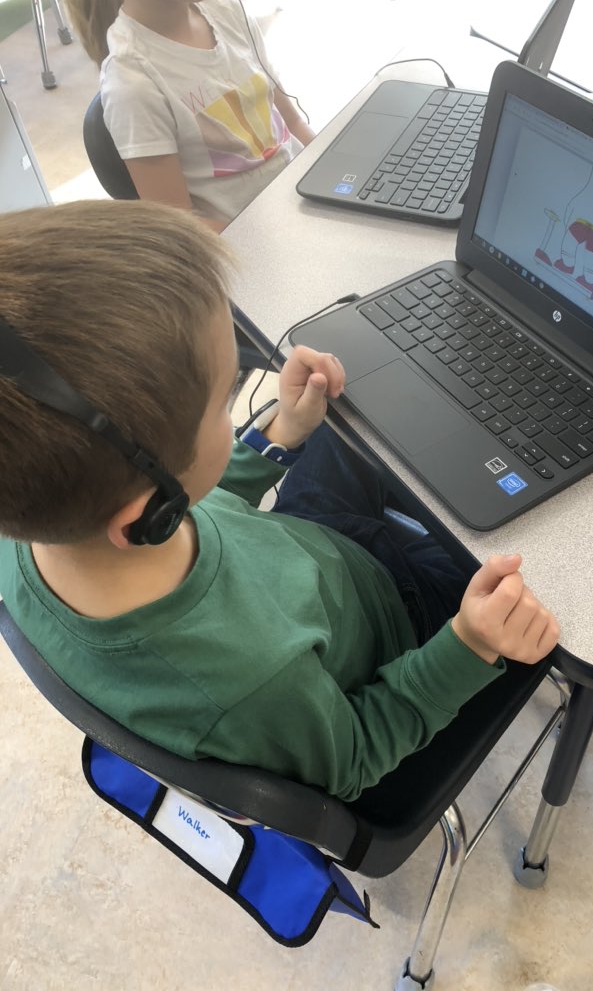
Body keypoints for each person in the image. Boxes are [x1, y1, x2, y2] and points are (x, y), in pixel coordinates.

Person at [0, 201, 560, 802]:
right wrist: (469, 644)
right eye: (226, 399)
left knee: (374, 410)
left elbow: (199, 509)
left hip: (301, 555)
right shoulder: (252, 684)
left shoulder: (42, 528)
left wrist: (277, 434)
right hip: (403, 620)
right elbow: (358, 754)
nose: (239, 401)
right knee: (542, 547)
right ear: (150, 510)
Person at [60, 0, 315, 231]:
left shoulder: (228, 11)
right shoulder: (133, 82)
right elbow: (183, 228)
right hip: (250, 242)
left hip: (303, 199)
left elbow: (293, 122)